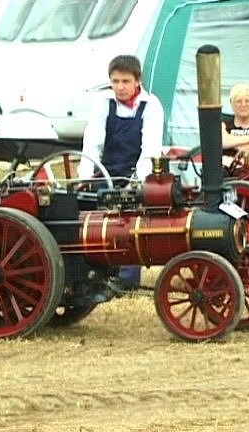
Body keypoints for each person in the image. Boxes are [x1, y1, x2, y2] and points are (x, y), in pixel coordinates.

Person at [78, 54, 164, 289]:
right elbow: (93, 141)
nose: (120, 87)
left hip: (132, 170)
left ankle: (127, 279)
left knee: (129, 220)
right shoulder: (103, 102)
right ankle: (93, 272)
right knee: (87, 211)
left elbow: (150, 149)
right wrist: (85, 177)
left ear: (138, 81)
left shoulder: (151, 106)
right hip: (105, 170)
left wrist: (135, 182)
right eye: (115, 81)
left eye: (125, 81)